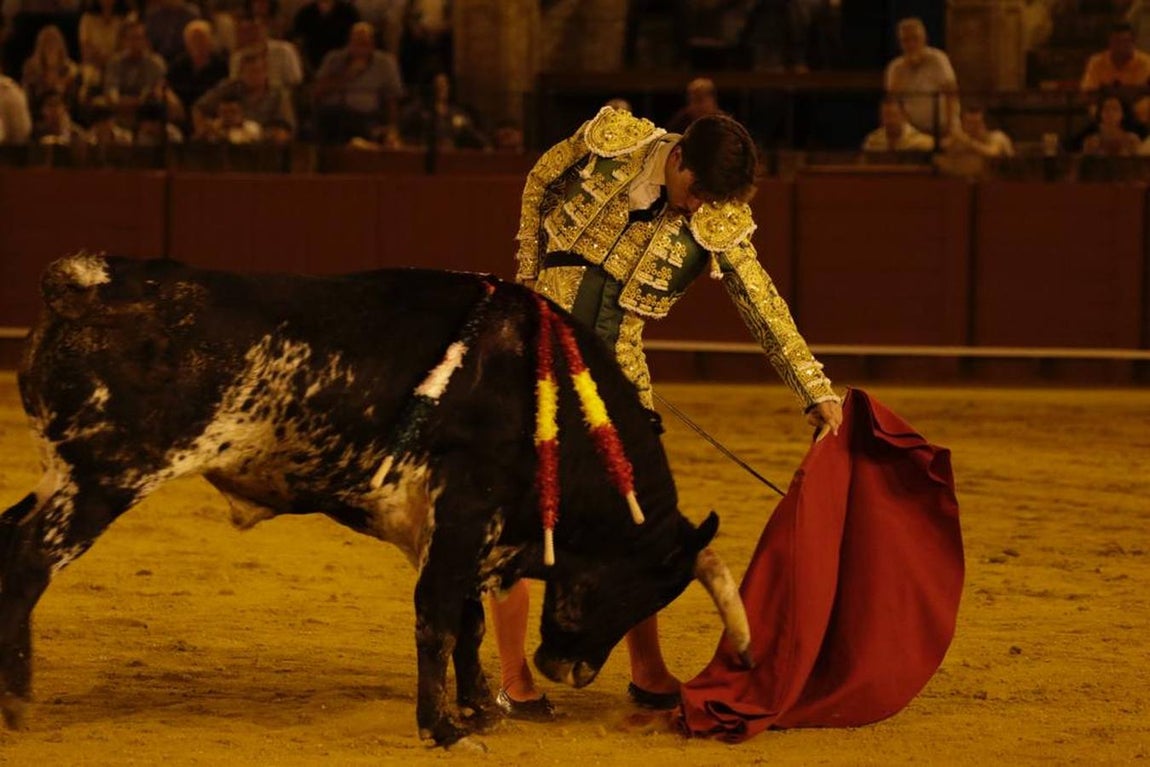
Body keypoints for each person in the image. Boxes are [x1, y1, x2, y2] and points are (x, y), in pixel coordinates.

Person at [490, 106, 843, 719]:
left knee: (639, 522)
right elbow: (541, 179)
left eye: (712, 202)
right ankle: (514, 676)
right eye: (695, 193)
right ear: (677, 157)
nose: (696, 209)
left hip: (620, 373)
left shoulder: (715, 214)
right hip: (539, 350)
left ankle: (648, 669)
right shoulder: (613, 141)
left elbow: (761, 302)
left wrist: (814, 389)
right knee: (520, 514)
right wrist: (528, 272)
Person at [312, 20, 402, 144]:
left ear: (372, 44)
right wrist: (347, 75)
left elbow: (392, 99)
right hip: (334, 114)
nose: (360, 48)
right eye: (356, 43)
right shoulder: (334, 59)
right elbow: (317, 92)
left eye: (364, 44)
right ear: (349, 42)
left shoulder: (385, 63)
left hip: (367, 116)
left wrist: (392, 128)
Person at [884, 17, 959, 138]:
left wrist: (952, 127)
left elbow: (951, 94)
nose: (911, 44)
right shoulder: (895, 67)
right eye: (906, 40)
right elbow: (892, 102)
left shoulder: (938, 59)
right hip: (911, 132)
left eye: (915, 39)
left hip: (941, 128)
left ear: (924, 39)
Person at [861, 96, 935, 152]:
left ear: (904, 116)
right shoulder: (872, 141)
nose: (889, 121)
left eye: (893, 115)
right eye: (885, 116)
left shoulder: (922, 142)